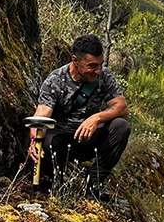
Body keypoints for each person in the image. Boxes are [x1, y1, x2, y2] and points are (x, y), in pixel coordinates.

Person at [30, 34, 130, 198]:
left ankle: (93, 185)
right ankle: (53, 185)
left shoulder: (103, 76)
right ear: (75, 60)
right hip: (61, 142)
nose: (98, 71)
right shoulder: (56, 80)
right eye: (92, 66)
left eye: (100, 65)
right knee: (48, 139)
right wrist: (34, 140)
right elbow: (42, 114)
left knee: (121, 127)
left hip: (88, 137)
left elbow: (121, 106)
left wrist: (96, 118)